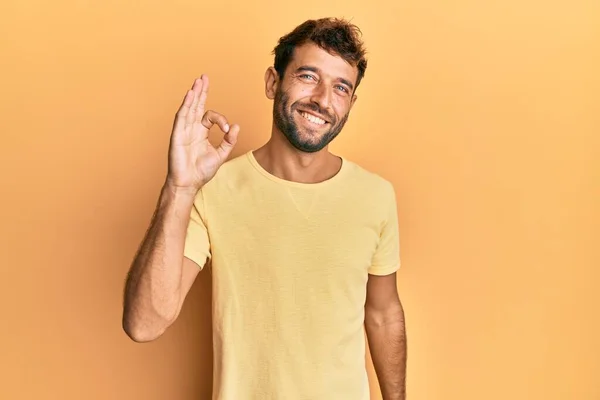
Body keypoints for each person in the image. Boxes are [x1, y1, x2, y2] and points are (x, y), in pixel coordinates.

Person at [122, 17, 407, 400]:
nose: (323, 99)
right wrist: (179, 187)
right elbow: (143, 324)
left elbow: (384, 313)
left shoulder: (376, 195)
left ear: (351, 103)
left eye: (341, 87)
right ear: (273, 82)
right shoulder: (211, 189)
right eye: (308, 76)